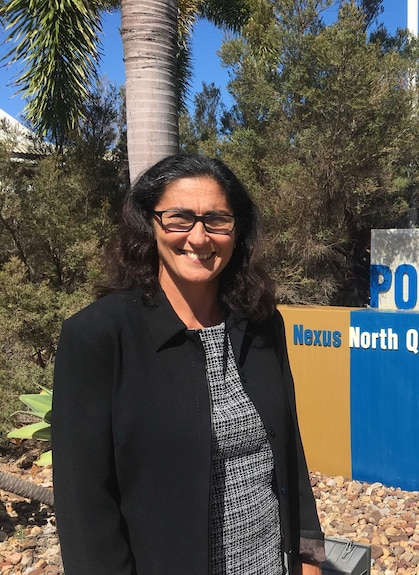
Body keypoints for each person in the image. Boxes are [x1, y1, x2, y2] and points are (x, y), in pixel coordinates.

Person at [52, 154, 326, 575]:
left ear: (237, 230)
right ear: (150, 224)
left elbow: (288, 446)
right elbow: (84, 504)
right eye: (179, 218)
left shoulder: (261, 322)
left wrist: (308, 555)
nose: (199, 238)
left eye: (217, 219)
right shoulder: (99, 336)